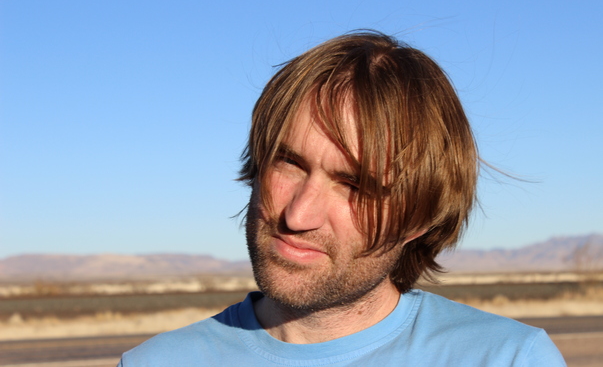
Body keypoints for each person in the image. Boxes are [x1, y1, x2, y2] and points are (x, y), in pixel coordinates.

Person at [118, 31, 565, 366]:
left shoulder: (507, 359)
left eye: (354, 186)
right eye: (288, 163)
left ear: (420, 218)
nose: (298, 215)